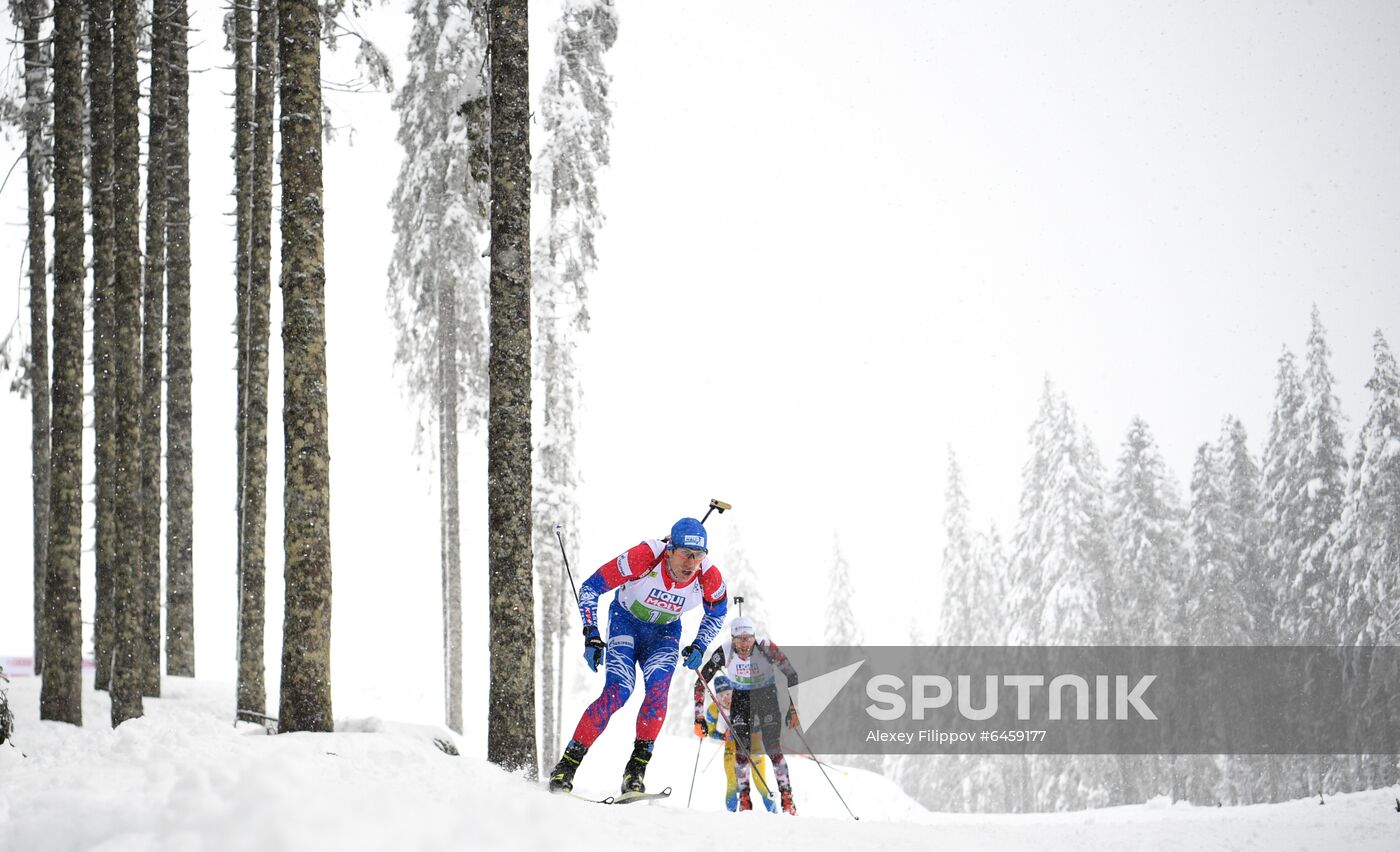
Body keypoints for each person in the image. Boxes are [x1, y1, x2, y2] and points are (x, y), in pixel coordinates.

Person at [548, 518, 728, 795]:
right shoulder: (644, 556)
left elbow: (717, 614)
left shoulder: (710, 576)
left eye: (698, 556)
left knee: (657, 690)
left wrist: (700, 645)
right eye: (685, 554)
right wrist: (591, 634)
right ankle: (567, 766)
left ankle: (636, 771)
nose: (691, 564)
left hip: (664, 634)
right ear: (670, 549)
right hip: (626, 622)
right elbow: (591, 587)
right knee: (618, 691)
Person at [695, 616, 801, 815]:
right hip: (741, 698)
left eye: (748, 639)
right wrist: (699, 716)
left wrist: (794, 708)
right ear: (732, 638)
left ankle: (787, 799)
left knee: (773, 748)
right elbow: (701, 682)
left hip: (766, 696)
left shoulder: (766, 647)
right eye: (739, 639)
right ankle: (744, 801)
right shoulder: (725, 651)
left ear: (754, 637)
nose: (744, 645)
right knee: (742, 750)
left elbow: (792, 674)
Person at [697, 674, 778, 813]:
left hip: (753, 741)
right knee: (732, 782)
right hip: (731, 744)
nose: (726, 698)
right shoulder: (713, 710)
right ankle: (732, 815)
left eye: (728, 693)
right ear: (716, 697)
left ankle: (774, 812)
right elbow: (711, 732)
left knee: (760, 781)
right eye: (721, 696)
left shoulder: (745, 701)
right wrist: (723, 735)